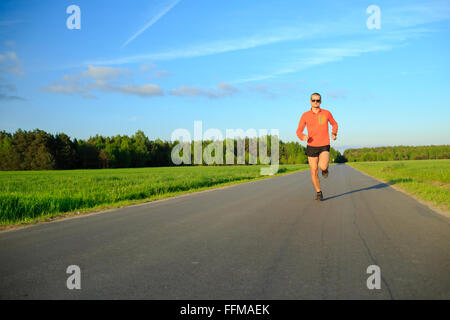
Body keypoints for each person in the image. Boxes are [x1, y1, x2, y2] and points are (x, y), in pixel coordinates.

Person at [296, 93, 338, 201]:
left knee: (322, 166)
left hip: (324, 144)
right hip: (311, 145)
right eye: (314, 100)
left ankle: (325, 170)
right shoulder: (305, 115)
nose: (316, 102)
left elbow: (334, 124)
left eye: (318, 100)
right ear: (310, 101)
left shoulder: (326, 113)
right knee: (313, 170)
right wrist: (302, 136)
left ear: (321, 101)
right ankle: (318, 192)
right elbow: (298, 131)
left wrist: (334, 133)